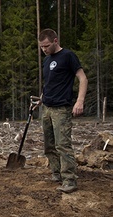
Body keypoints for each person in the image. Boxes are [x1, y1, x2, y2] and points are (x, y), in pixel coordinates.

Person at [37, 28, 88, 193]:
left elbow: (82, 78)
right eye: (41, 47)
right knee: (49, 145)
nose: (44, 49)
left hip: (61, 109)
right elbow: (50, 83)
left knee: (62, 145)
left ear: (55, 41)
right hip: (47, 108)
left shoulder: (68, 56)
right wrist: (41, 99)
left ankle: (70, 180)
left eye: (47, 46)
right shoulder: (46, 61)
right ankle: (56, 173)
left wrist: (79, 101)